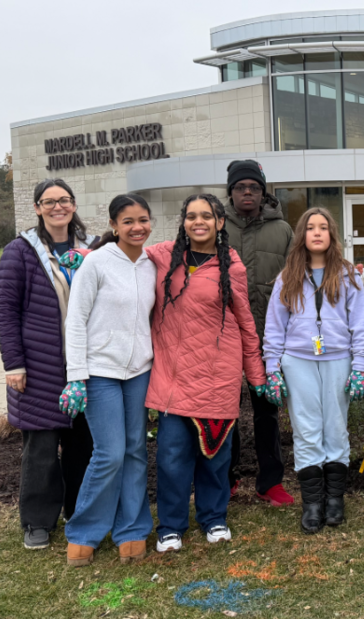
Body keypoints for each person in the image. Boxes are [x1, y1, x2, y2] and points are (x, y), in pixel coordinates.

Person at [145, 194, 271, 554]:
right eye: (190, 216)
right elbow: (125, 248)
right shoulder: (164, 256)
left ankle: (214, 517)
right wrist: (85, 255)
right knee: (170, 457)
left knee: (216, 457)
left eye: (206, 216)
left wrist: (256, 376)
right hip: (172, 376)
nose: (197, 221)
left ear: (220, 222)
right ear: (183, 221)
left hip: (218, 377)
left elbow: (246, 325)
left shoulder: (233, 269)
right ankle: (170, 526)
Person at [0, 178, 97, 551]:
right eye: (49, 201)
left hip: (84, 366)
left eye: (65, 200)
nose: (58, 207)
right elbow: (6, 312)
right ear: (37, 208)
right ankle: (37, 521)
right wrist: (14, 364)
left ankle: (77, 510)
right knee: (40, 448)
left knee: (81, 446)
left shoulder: (93, 248)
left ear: (73, 205)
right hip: (39, 367)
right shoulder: (19, 252)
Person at [262, 207, 364, 534]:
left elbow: (362, 326)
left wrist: (359, 368)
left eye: (323, 227)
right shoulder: (288, 277)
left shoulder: (348, 275)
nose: (316, 232)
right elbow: (274, 327)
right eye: (310, 227)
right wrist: (272, 369)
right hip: (298, 361)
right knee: (306, 429)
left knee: (336, 427)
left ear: (332, 235)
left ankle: (335, 499)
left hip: (337, 359)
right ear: (302, 235)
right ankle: (312, 503)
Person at [60, 194, 157, 566]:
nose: (137, 227)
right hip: (99, 372)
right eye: (128, 221)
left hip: (138, 372)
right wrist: (76, 377)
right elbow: (76, 321)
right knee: (109, 453)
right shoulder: (97, 262)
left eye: (143, 220)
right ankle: (84, 531)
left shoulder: (152, 264)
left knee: (135, 451)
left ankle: (131, 529)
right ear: (114, 225)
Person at [223, 159, 294, 507]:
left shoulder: (282, 230)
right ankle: (227, 479)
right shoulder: (215, 225)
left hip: (268, 335)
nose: (247, 192)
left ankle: (271, 482)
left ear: (263, 192)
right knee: (224, 409)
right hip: (222, 336)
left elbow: (297, 278)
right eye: (240, 187)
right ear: (230, 192)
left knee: (267, 410)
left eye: (253, 187)